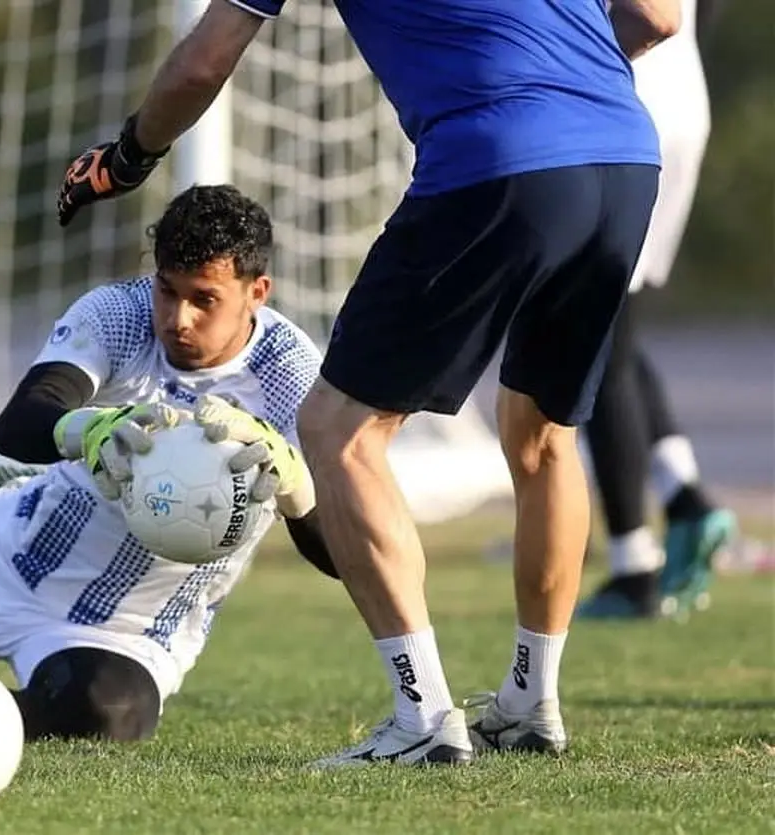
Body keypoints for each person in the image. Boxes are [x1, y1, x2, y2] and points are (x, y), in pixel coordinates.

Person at [55, 0, 679, 765]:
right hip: (625, 153)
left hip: (498, 157)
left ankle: (422, 718)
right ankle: (530, 702)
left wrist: (126, 158)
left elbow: (202, 63)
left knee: (337, 431)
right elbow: (658, 15)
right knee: (542, 434)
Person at [0, 184, 335, 741]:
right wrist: (89, 426)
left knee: (107, 717)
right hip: (11, 553)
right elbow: (21, 421)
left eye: (204, 299)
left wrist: (299, 489)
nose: (178, 318)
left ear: (257, 292)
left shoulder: (291, 377)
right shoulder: (119, 313)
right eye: (167, 291)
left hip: (128, 629)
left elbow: (344, 556)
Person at [578, 0, 737, 621]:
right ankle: (685, 496)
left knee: (595, 337)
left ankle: (632, 566)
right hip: (682, 100)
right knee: (614, 319)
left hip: (624, 104)